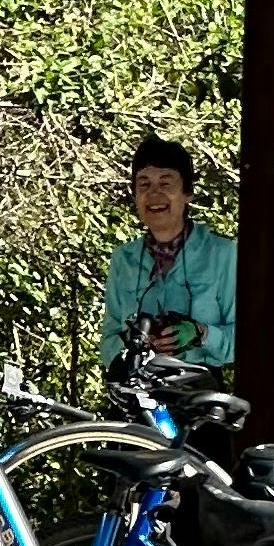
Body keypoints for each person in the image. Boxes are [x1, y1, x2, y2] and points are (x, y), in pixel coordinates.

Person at [99, 136, 237, 375]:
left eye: (165, 184)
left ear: (187, 193)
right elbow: (108, 342)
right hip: (136, 394)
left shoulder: (223, 255)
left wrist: (200, 333)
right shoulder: (123, 259)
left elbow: (248, 341)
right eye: (144, 184)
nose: (154, 195)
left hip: (198, 398)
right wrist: (136, 344)